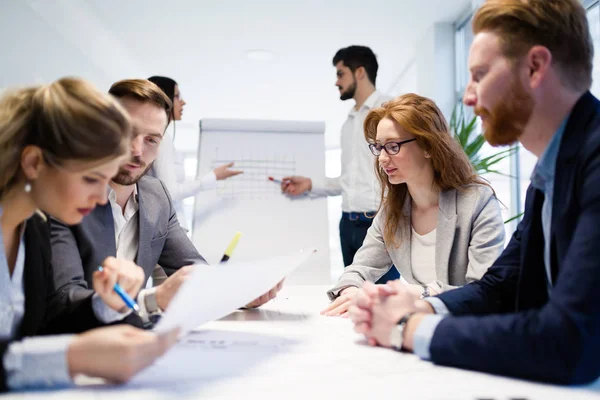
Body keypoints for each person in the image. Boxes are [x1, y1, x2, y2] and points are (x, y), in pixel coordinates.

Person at [349, 0, 600, 384]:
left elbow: (568, 340)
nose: (468, 96)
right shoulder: (549, 174)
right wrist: (424, 306)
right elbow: (500, 287)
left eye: (479, 75)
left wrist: (407, 328)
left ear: (535, 67)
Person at [50, 79, 281, 327]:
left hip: (136, 346)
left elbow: (193, 268)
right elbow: (65, 301)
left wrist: (238, 293)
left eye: (152, 140)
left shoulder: (155, 197)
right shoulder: (64, 197)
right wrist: (155, 299)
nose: (137, 150)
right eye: (127, 131)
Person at [0, 77, 178, 391]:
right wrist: (72, 357)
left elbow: (45, 325)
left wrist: (105, 304)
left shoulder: (33, 228)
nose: (100, 198)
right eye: (92, 179)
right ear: (33, 162)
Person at [322, 94, 505, 316]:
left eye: (393, 146)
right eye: (378, 147)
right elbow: (360, 267)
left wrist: (418, 295)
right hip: (415, 327)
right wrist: (351, 290)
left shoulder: (477, 203)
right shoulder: (393, 209)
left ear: (428, 146)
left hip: (465, 332)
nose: (382, 158)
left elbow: (485, 292)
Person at [282, 46, 399, 283]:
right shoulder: (349, 124)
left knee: (384, 302)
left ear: (359, 73)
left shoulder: (390, 111)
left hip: (379, 222)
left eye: (340, 74)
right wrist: (309, 184)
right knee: (353, 298)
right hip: (347, 224)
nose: (336, 82)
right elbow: (350, 181)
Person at [147, 76, 242, 232]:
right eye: (177, 96)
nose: (183, 102)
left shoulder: (162, 138)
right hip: (167, 229)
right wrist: (213, 177)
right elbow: (169, 193)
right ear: (164, 99)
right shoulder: (162, 139)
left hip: (168, 227)